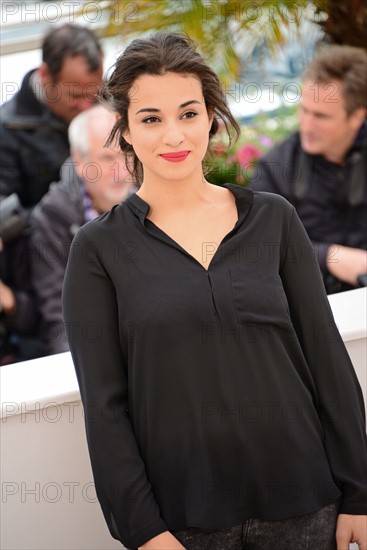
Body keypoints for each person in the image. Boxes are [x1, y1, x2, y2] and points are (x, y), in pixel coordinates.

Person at [62, 33, 367, 550]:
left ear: (211, 118)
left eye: (188, 113)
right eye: (151, 118)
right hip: (183, 525)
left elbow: (327, 361)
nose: (174, 135)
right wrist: (146, 532)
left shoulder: (274, 219)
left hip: (308, 508)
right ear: (128, 132)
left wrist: (359, 493)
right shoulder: (98, 251)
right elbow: (105, 408)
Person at [249, 45, 367, 294]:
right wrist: (330, 257)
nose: (307, 125)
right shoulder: (275, 167)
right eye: (304, 110)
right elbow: (257, 246)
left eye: (321, 116)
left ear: (357, 117)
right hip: (309, 309)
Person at [30, 104, 135, 357]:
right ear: (79, 161)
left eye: (126, 154)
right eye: (107, 159)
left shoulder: (157, 194)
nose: (121, 171)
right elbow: (60, 317)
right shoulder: (52, 218)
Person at [0, 23, 103, 209]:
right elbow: (6, 217)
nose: (88, 106)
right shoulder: (6, 130)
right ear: (45, 75)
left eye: (94, 93)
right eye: (75, 95)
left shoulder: (110, 105)